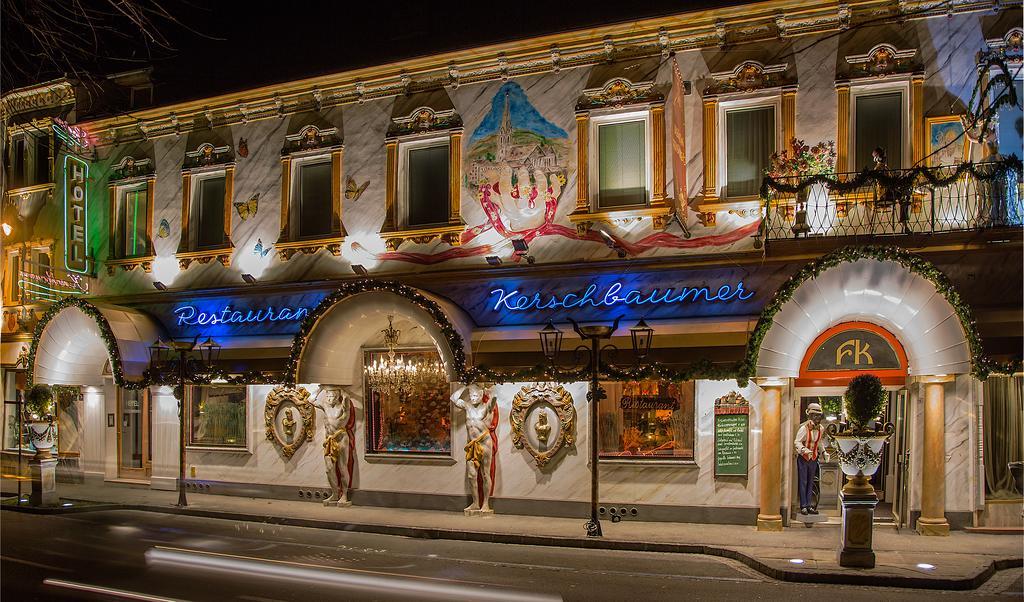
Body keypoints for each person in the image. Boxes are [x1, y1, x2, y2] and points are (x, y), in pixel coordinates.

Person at [452, 383, 498, 515]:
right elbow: (454, 398)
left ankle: (485, 503)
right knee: (472, 475)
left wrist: (490, 391)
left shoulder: (486, 407)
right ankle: (475, 503)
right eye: (471, 395)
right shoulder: (467, 407)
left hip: (484, 442)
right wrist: (465, 387)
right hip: (471, 444)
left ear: (481, 395)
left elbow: (493, 400)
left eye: (476, 395)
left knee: (485, 474)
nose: (473, 397)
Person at [312, 385, 354, 506]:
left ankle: (344, 495)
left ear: (337, 397)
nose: (329, 398)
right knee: (329, 469)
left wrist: (340, 386)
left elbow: (347, 397)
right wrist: (320, 389)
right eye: (328, 396)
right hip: (328, 440)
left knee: (342, 467)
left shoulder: (343, 407)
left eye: (332, 396)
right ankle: (335, 493)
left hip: (341, 438)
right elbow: (310, 400)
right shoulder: (325, 407)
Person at [794, 402, 830, 515]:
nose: (817, 417)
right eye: (815, 415)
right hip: (804, 458)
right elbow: (797, 442)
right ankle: (803, 506)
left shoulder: (821, 428)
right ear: (810, 416)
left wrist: (824, 452)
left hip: (814, 458)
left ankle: (809, 505)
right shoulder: (803, 428)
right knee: (803, 481)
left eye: (819, 415)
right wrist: (804, 450)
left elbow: (819, 442)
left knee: (811, 482)